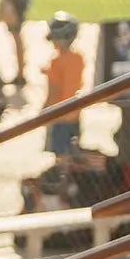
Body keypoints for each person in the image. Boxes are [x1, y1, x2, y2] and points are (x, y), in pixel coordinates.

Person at [41, 11, 84, 157]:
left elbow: (54, 90)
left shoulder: (56, 62)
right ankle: (68, 175)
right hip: (75, 114)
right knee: (72, 148)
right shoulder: (78, 58)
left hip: (59, 115)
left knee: (60, 153)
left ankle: (62, 176)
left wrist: (45, 110)